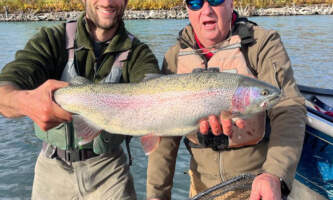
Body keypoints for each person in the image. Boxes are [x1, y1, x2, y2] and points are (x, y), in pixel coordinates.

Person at [146, 0, 307, 199]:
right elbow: (164, 135)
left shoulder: (262, 44)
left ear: (231, 3)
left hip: (258, 186)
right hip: (201, 187)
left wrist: (275, 174)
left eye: (215, 0)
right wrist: (156, 195)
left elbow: (289, 108)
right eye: (195, 2)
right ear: (187, 8)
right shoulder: (174, 57)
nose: (206, 10)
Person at [0, 0, 160, 199]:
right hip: (51, 169)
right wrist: (24, 101)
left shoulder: (139, 54)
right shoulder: (51, 40)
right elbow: (4, 89)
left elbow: (157, 96)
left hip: (109, 171)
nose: (107, 2)